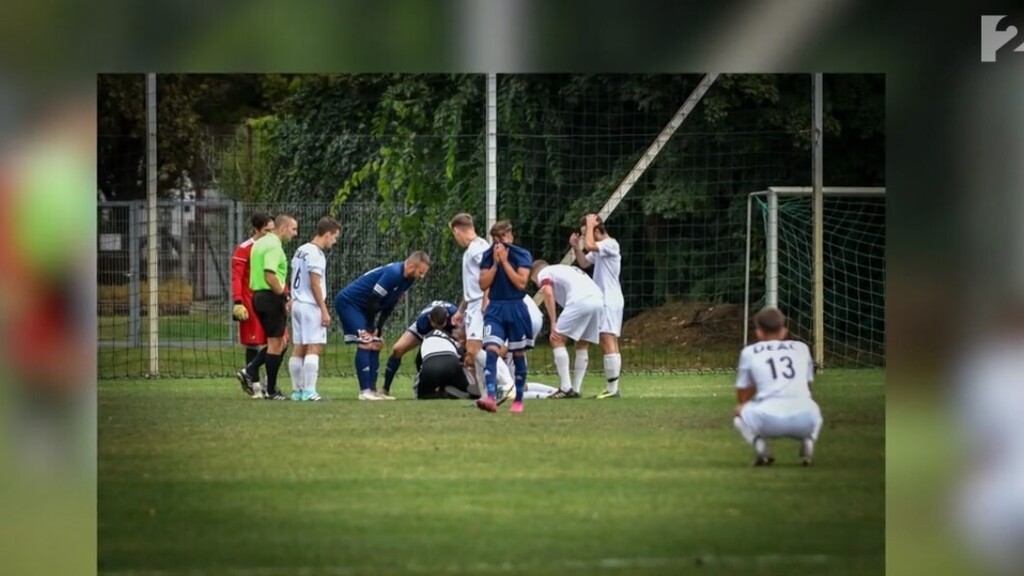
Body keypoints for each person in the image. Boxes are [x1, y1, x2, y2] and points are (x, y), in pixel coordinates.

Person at [334, 251, 431, 400]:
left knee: (377, 343)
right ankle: (364, 391)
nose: (422, 276)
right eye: (421, 272)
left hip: (365, 308)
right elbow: (373, 300)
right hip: (350, 303)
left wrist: (379, 327)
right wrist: (370, 327)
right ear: (411, 266)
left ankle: (373, 391)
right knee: (366, 341)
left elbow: (390, 304)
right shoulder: (393, 273)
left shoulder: (408, 280)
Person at [733, 307, 823, 466]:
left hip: (768, 421)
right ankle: (809, 440)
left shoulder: (749, 352)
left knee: (739, 413)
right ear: (784, 331)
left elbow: (742, 393)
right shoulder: (801, 348)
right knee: (814, 407)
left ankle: (761, 447)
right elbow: (808, 386)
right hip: (804, 420)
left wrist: (747, 401)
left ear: (758, 332)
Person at [239, 213, 299, 400]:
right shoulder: (274, 246)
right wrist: (284, 294)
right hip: (271, 296)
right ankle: (270, 390)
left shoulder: (260, 243)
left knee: (280, 342)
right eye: (294, 229)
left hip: (258, 296)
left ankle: (251, 371)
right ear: (283, 228)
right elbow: (270, 275)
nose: (295, 234)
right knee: (275, 344)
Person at [477, 220, 533, 413]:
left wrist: (505, 262)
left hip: (516, 308)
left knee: (518, 354)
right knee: (491, 351)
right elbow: (483, 285)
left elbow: (521, 283)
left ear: (510, 236)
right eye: (495, 239)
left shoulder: (522, 255)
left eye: (502, 238)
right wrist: (495, 264)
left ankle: (518, 400)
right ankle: (491, 397)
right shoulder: (487, 256)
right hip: (495, 308)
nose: (499, 243)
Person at [530, 260, 604, 398]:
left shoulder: (543, 272)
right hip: (598, 300)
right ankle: (576, 388)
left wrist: (553, 322)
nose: (536, 284)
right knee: (582, 343)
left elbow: (548, 293)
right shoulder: (564, 269)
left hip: (580, 300)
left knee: (557, 339)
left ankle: (565, 388)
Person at [287, 217, 342, 402]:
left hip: (297, 304)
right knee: (314, 347)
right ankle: (310, 391)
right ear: (327, 234)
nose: (334, 242)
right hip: (310, 305)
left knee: (299, 347)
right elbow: (315, 283)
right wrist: (324, 310)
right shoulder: (316, 254)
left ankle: (297, 391)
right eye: (334, 237)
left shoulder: (300, 250)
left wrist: (292, 298)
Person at [570, 213, 624, 399]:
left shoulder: (610, 244)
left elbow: (590, 245)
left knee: (607, 339)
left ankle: (612, 389)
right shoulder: (601, 248)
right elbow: (584, 262)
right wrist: (576, 247)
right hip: (606, 299)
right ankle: (613, 388)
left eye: (587, 232)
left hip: (610, 299)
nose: (585, 237)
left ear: (596, 229)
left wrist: (590, 227)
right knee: (609, 340)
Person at [231, 212, 275, 397]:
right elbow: (237, 276)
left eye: (272, 230)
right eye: (266, 230)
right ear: (256, 229)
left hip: (270, 301)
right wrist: (238, 301)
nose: (269, 234)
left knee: (277, 341)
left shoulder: (273, 246)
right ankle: (255, 386)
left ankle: (254, 376)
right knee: (253, 343)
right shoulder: (244, 249)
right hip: (250, 302)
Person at [381, 299, 461, 396]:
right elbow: (425, 345)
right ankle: (385, 389)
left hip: (451, 330)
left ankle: (460, 385)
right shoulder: (423, 321)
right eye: (435, 326)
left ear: (447, 318)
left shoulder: (455, 315)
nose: (438, 330)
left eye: (441, 326)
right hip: (427, 329)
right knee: (397, 349)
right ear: (429, 319)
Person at [449, 213, 491, 391]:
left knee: (474, 351)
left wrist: (486, 298)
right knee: (474, 352)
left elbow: (490, 273)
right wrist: (460, 311)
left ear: (457, 230)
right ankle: (484, 393)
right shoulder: (470, 250)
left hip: (480, 304)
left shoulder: (478, 248)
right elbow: (471, 285)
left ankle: (506, 383)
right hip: (472, 305)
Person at [414, 307, 472, 399]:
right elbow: (461, 355)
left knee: (422, 395)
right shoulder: (450, 337)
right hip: (452, 364)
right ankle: (466, 391)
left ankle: (441, 394)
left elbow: (418, 362)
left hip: (430, 367)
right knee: (465, 386)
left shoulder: (426, 337)